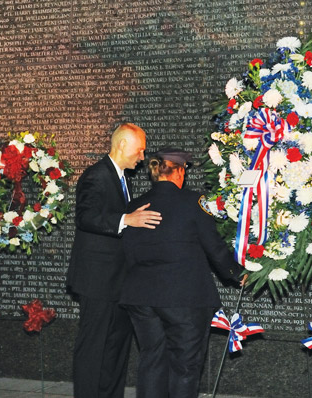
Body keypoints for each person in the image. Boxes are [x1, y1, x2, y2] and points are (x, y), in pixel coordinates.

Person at [119, 148, 244, 398]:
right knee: (185, 366)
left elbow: (128, 251)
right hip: (184, 298)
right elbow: (214, 247)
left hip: (141, 297)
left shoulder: (133, 206)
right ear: (179, 171)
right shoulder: (194, 203)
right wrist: (235, 272)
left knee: (152, 362)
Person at [66, 123, 162, 398]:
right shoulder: (96, 175)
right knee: (94, 349)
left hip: (120, 281)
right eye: (140, 150)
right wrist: (126, 219)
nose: (142, 158)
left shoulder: (123, 179)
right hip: (97, 282)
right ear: (122, 145)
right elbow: (86, 217)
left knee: (116, 349)